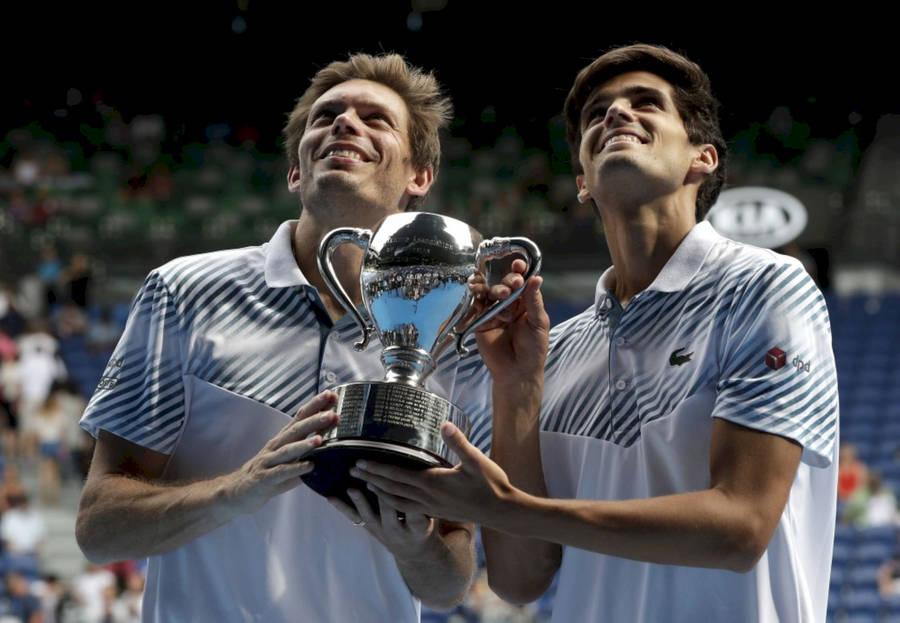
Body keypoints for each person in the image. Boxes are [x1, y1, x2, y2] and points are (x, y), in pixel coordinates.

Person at [352, 44, 839, 622]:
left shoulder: (761, 285)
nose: (615, 114)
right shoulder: (557, 350)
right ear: (582, 181)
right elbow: (518, 579)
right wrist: (517, 387)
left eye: (646, 103)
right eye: (597, 112)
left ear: (702, 157)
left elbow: (740, 529)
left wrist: (511, 505)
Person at [76, 53, 493, 622]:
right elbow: (100, 530)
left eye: (376, 119)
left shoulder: (450, 329)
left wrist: (414, 546)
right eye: (327, 116)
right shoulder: (185, 292)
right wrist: (236, 490)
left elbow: (448, 583)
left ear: (419, 178)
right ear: (296, 170)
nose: (345, 123)